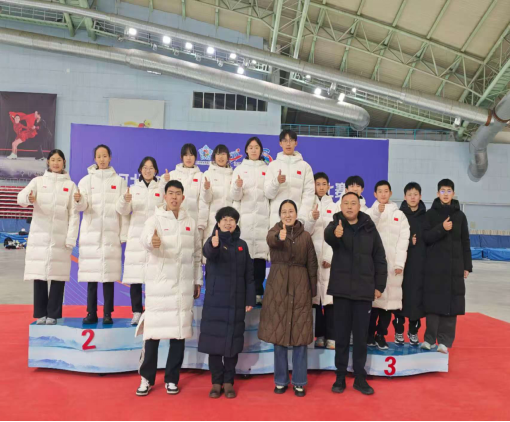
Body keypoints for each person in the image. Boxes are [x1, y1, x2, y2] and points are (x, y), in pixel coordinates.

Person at [135, 180, 203, 397]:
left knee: (178, 335)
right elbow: (145, 239)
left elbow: (197, 255)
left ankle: (172, 379)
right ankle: (146, 378)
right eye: (171, 193)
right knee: (152, 335)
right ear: (164, 196)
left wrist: (197, 280)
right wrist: (151, 241)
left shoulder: (190, 222)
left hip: (182, 288)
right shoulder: (154, 219)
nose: (174, 197)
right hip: (159, 287)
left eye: (178, 193)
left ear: (183, 197)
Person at [325, 192, 387, 396]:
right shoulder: (336, 224)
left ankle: (360, 378)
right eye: (346, 203)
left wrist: (379, 286)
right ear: (341, 206)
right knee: (341, 337)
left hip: (363, 291)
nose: (349, 206)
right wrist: (336, 233)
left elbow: (379, 258)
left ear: (359, 206)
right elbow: (328, 235)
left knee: (361, 338)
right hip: (342, 291)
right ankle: (340, 376)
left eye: (353, 203)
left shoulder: (369, 227)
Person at [258, 200, 318, 398]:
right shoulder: (274, 231)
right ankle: (281, 380)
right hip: (278, 287)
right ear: (280, 215)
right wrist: (279, 237)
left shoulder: (306, 236)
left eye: (291, 211)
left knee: (300, 337)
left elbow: (312, 263)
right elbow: (271, 240)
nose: (287, 215)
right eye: (284, 212)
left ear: (296, 214)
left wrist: (312, 290)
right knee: (279, 336)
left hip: (300, 287)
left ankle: (299, 382)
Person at [199, 206, 256, 399]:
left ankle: (229, 381)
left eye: (232, 219)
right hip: (215, 301)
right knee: (214, 343)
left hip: (236, 300)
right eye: (224, 219)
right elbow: (208, 253)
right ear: (218, 222)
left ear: (236, 223)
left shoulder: (242, 245)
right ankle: (216, 382)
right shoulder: (213, 241)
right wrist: (214, 244)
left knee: (233, 343)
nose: (228, 222)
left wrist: (249, 298)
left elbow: (249, 274)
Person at [17, 149, 80, 325]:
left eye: (59, 160)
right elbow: (21, 198)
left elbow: (74, 215)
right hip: (40, 237)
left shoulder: (70, 186)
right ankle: (41, 314)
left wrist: (71, 238)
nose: (56, 163)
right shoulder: (38, 182)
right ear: (48, 162)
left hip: (60, 239)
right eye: (53, 160)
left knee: (58, 277)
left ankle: (53, 314)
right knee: (40, 276)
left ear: (64, 162)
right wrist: (28, 198)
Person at [75, 145, 129, 325]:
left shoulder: (119, 182)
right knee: (92, 278)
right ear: (95, 159)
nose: (102, 159)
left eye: (105, 156)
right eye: (99, 156)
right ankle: (91, 312)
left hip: (110, 234)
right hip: (91, 234)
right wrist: (79, 200)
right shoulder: (85, 181)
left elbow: (123, 211)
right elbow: (82, 207)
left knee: (109, 278)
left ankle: (107, 313)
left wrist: (123, 235)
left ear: (110, 157)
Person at [421, 179, 472, 354]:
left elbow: (465, 241)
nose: (445, 194)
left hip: (454, 267)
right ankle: (429, 339)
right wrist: (442, 228)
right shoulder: (430, 215)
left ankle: (444, 342)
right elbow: (426, 238)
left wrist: (467, 265)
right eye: (442, 191)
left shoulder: (460, 216)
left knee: (451, 304)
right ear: (437, 193)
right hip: (434, 267)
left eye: (449, 191)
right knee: (433, 303)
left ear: (453, 193)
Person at [117, 157, 165, 326]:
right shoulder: (133, 189)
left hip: (154, 237)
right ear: (140, 170)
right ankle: (137, 312)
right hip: (136, 237)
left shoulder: (161, 189)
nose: (148, 170)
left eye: (151, 168)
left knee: (154, 277)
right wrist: (125, 200)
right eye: (145, 167)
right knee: (136, 277)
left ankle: (152, 311)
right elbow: (123, 211)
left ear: (156, 171)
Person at [367, 180, 410, 351]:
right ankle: (369, 334)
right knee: (373, 302)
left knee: (388, 304)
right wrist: (377, 212)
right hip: (373, 265)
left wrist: (399, 263)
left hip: (393, 266)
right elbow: (367, 229)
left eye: (386, 191)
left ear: (390, 193)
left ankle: (381, 334)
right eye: (380, 191)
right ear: (375, 194)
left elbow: (403, 241)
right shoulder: (369, 213)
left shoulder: (399, 215)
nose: (383, 194)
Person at [230, 137, 270, 305]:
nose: (254, 150)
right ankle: (244, 294)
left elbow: (270, 194)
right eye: (251, 147)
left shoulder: (267, 169)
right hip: (245, 219)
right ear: (246, 150)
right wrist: (237, 186)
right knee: (244, 259)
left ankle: (258, 293)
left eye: (256, 147)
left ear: (261, 150)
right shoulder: (239, 169)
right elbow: (235, 196)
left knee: (259, 258)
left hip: (262, 219)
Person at [304, 172, 336, 350]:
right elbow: (304, 232)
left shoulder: (335, 206)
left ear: (329, 186)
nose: (321, 187)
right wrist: (312, 218)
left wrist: (329, 257)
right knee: (314, 299)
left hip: (329, 262)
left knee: (330, 300)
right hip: (312, 259)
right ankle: (319, 336)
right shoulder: (308, 205)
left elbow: (337, 234)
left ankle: (332, 336)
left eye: (324, 184)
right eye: (318, 184)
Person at [395, 182, 427, 346]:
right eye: (409, 194)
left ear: (420, 196)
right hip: (402, 264)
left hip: (420, 264)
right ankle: (398, 330)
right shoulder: (399, 215)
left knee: (417, 298)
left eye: (415, 194)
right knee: (400, 297)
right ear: (405, 197)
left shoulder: (426, 217)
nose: (413, 197)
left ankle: (413, 331)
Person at [264, 130, 315, 228]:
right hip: (276, 219)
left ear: (296, 143)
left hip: (297, 219)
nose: (288, 144)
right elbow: (268, 194)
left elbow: (308, 194)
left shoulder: (305, 167)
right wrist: (276, 182)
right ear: (280, 143)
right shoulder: (273, 165)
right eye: (285, 140)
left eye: (291, 140)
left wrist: (301, 217)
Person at [199, 145, 233, 247]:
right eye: (218, 154)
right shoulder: (207, 174)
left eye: (223, 154)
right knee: (213, 249)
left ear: (228, 157)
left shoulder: (233, 174)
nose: (220, 157)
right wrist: (206, 189)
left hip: (230, 222)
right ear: (214, 156)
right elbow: (205, 200)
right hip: (213, 221)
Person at [162, 144, 203, 222]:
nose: (188, 158)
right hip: (173, 219)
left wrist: (201, 223)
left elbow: (202, 202)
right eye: (186, 155)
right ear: (181, 157)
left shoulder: (200, 176)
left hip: (193, 220)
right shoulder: (172, 174)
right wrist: (164, 182)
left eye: (191, 155)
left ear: (195, 157)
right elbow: (164, 197)